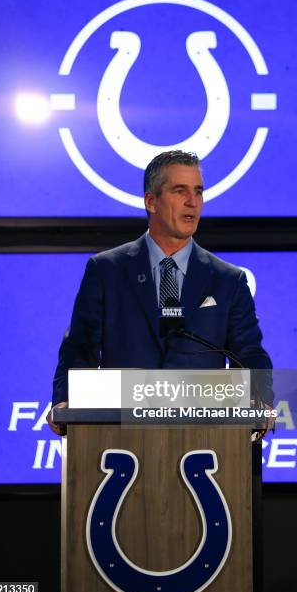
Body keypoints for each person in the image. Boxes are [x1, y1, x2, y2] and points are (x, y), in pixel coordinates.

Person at [47, 150, 272, 435]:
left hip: (207, 437)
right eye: (180, 191)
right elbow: (80, 348)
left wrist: (260, 400)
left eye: (198, 192)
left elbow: (250, 353)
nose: (193, 202)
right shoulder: (106, 271)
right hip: (121, 433)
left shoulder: (228, 280)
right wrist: (67, 399)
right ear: (151, 201)